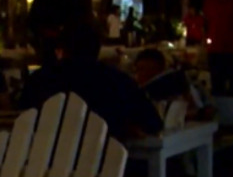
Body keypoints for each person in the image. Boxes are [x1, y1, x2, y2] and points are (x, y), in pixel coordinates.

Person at [19, 24, 163, 141]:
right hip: (105, 162)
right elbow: (153, 123)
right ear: (97, 49)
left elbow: (22, 117)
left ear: (62, 49)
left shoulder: (40, 80)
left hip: (45, 160)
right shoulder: (118, 81)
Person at [134, 48, 205, 117]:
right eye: (138, 70)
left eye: (142, 69)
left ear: (158, 69)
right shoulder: (140, 92)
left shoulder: (175, 87)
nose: (139, 74)